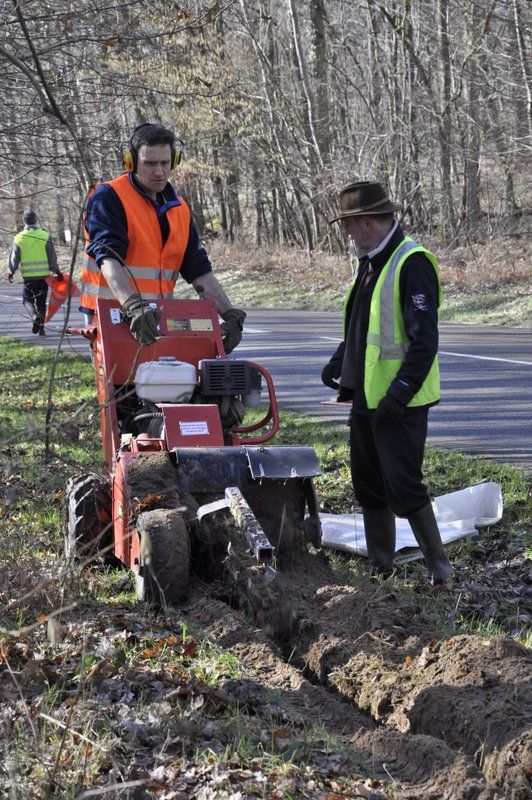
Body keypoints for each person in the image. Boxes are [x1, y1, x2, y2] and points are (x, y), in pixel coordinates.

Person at [323, 180, 453, 585]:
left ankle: (440, 569)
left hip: (400, 402)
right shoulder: (371, 260)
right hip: (368, 397)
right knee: (368, 484)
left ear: (365, 223)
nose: (347, 233)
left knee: (404, 485)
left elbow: (423, 342)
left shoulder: (411, 262)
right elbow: (368, 324)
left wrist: (399, 395)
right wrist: (341, 358)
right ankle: (381, 567)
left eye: (348, 224)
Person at [80, 122, 246, 349]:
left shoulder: (179, 209)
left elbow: (198, 271)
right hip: (112, 314)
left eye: (165, 163)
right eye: (150, 163)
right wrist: (133, 306)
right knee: (122, 385)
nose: (159, 172)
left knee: (168, 382)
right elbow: (108, 258)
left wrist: (230, 315)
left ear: (174, 161)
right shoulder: (109, 197)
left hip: (157, 317)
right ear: (131, 162)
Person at [5, 209, 63, 336]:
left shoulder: (19, 238)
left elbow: (14, 258)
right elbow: (52, 257)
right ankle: (41, 328)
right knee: (41, 302)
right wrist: (57, 271)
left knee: (27, 300)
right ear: (36, 219)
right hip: (43, 277)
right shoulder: (45, 236)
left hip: (29, 277)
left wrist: (10, 271)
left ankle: (34, 316)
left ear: (24, 221)